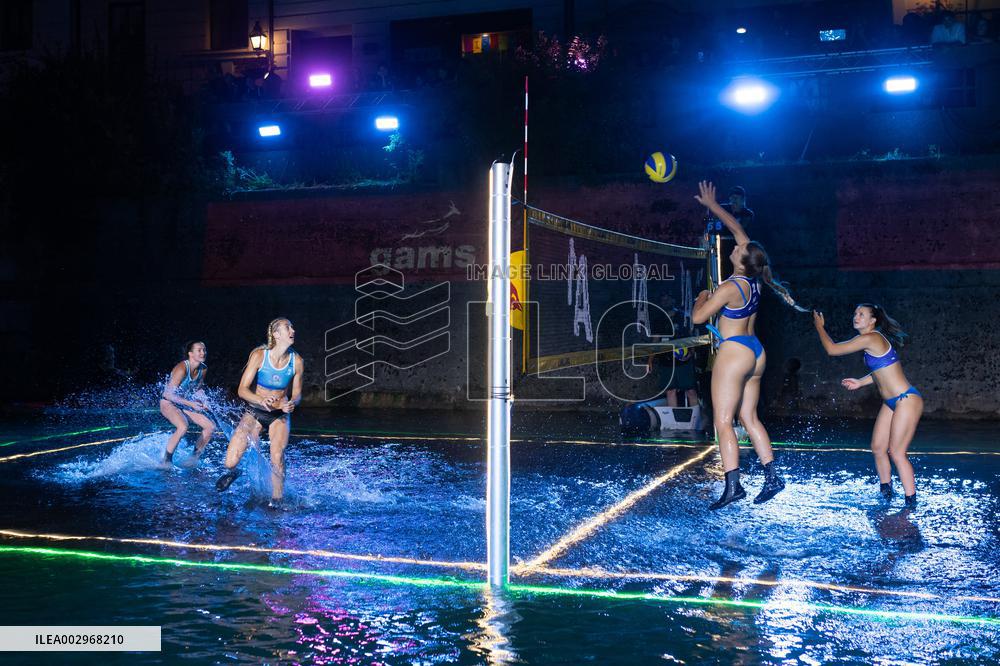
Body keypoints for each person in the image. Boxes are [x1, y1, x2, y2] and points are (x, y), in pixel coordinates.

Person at [692, 181, 805, 510]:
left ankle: (733, 486)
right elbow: (738, 229)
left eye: (740, 247)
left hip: (734, 352)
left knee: (724, 421)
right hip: (756, 351)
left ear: (741, 259)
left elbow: (700, 318)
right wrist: (714, 206)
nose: (737, 244)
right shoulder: (754, 275)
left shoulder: (731, 286)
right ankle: (772, 477)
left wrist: (702, 296)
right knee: (749, 416)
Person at [813, 305, 922, 506]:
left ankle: (911, 503)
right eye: (855, 313)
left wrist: (819, 326)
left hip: (906, 399)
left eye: (861, 314)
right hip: (891, 403)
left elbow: (832, 349)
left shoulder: (872, 338)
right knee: (878, 447)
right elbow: (883, 371)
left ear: (872, 320)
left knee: (897, 452)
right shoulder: (871, 342)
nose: (856, 317)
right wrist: (861, 382)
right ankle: (886, 494)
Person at [215, 318, 303, 508]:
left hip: (279, 414)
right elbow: (242, 390)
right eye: (288, 327)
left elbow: (297, 394)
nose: (293, 330)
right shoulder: (259, 356)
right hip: (255, 410)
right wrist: (260, 400)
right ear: (276, 334)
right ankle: (233, 473)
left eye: (292, 327)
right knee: (230, 462)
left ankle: (277, 500)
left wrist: (292, 403)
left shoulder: (297, 361)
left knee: (277, 455)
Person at [159, 341, 215, 465]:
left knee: (210, 427)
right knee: (183, 426)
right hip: (168, 403)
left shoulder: (203, 368)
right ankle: (166, 461)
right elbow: (168, 394)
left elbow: (198, 389)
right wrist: (191, 404)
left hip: (182, 404)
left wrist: (205, 400)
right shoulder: (182, 368)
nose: (203, 352)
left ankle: (193, 459)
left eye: (204, 350)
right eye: (199, 350)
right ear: (190, 353)